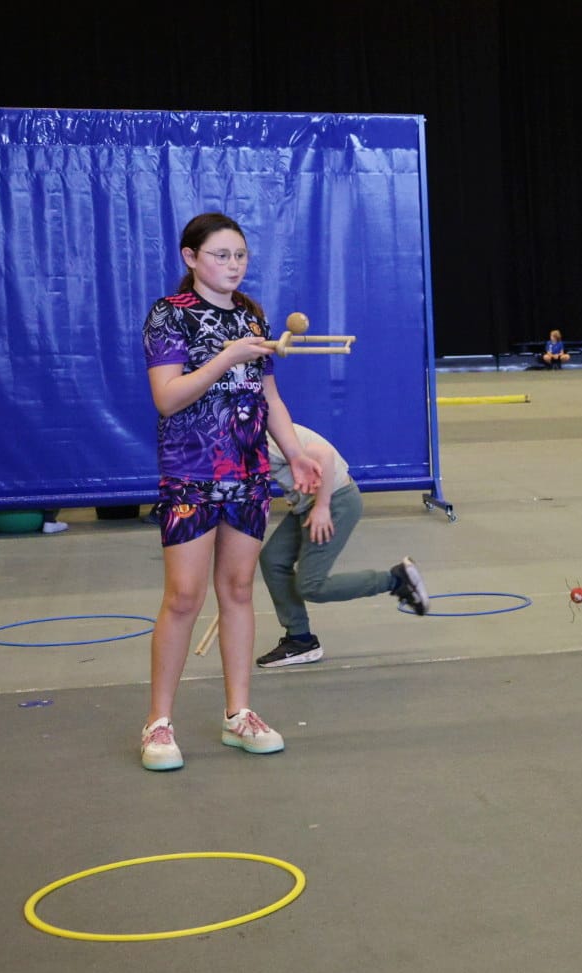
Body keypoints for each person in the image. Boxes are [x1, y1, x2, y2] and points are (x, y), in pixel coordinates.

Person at [139, 211, 323, 772]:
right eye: (221, 255)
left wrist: (295, 453)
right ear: (191, 258)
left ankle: (238, 713)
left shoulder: (251, 315)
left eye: (240, 255)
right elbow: (167, 398)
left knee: (239, 590)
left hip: (248, 477)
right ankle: (158, 722)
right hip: (190, 476)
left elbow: (269, 397)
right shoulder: (170, 315)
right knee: (183, 597)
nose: (234, 265)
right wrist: (228, 356)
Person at [257, 423, 430, 668]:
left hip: (335, 501)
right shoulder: (240, 435)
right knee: (273, 558)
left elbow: (324, 455)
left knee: (311, 586)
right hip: (307, 503)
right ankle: (300, 640)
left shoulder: (262, 435)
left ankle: (396, 580)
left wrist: (322, 507)